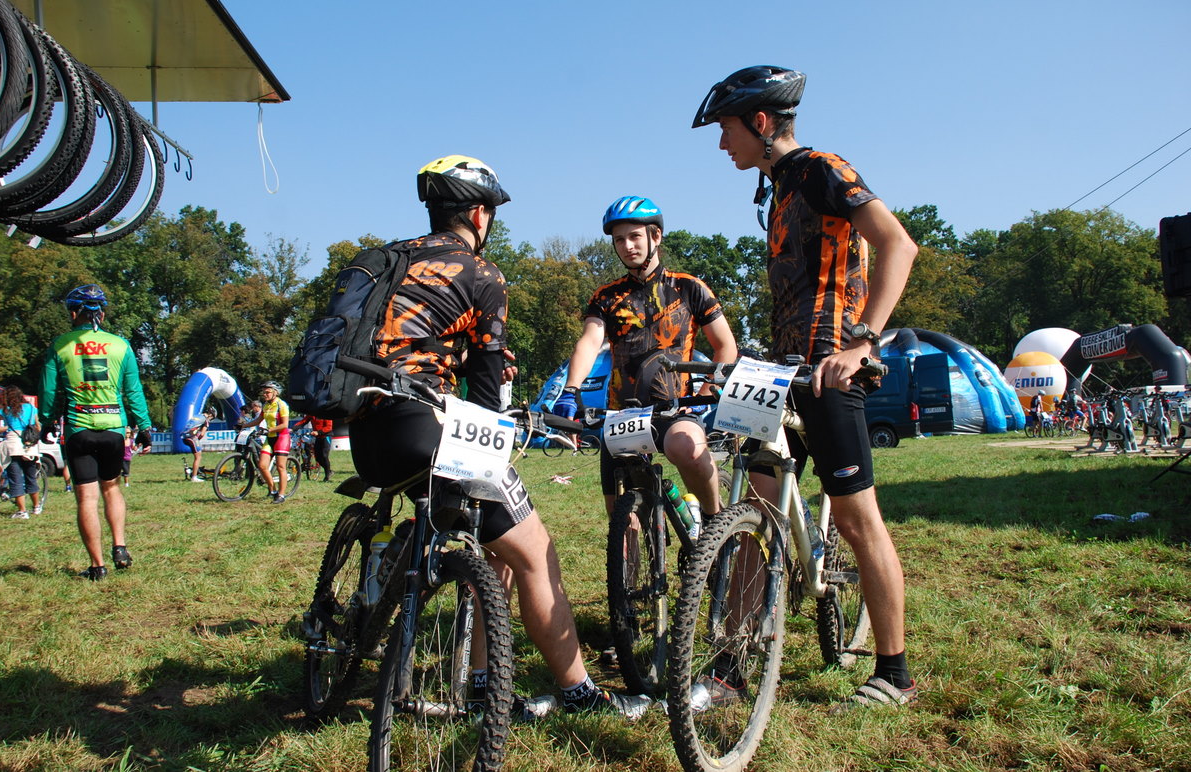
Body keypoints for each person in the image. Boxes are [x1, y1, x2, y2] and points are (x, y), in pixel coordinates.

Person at [347, 154, 651, 719]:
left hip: (366, 433)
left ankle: (405, 586)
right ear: (479, 214)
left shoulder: (388, 258)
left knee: (493, 542)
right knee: (533, 551)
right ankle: (579, 693)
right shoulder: (481, 274)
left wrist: (459, 358)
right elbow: (487, 396)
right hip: (424, 429)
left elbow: (402, 345)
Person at [692, 65, 920, 712]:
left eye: (727, 129)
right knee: (752, 508)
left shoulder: (823, 169)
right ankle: (731, 664)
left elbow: (898, 245)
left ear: (761, 122)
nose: (722, 143)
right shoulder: (776, 189)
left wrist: (864, 342)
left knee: (854, 516)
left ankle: (894, 673)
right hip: (779, 372)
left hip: (831, 367)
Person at [554, 196, 737, 524]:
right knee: (622, 522)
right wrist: (570, 389)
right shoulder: (606, 296)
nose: (627, 246)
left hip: (676, 409)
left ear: (656, 236)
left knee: (688, 451)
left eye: (634, 236)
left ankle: (714, 519)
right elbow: (590, 341)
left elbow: (725, 346)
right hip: (623, 414)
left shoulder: (688, 288)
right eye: (619, 240)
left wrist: (706, 394)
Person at [38, 284, 152, 581]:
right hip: (113, 428)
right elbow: (133, 390)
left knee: (87, 498)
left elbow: (48, 390)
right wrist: (144, 426)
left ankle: (97, 566)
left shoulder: (60, 344)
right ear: (101, 313)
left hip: (79, 428)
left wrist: (47, 421)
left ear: (73, 313)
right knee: (111, 487)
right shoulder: (120, 345)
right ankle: (120, 547)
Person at [0, 384, 43, 519]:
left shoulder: (5, 411)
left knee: (16, 479)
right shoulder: (32, 408)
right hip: (29, 445)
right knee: (31, 477)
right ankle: (36, 507)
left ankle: (22, 511)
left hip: (13, 445)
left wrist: (7, 427)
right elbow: (38, 427)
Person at [237, 381, 291, 503]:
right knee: (262, 466)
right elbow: (258, 420)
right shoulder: (266, 405)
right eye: (263, 392)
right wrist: (243, 425)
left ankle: (281, 495)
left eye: (267, 392)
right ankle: (273, 490)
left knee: (281, 466)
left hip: (281, 437)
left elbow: (285, 425)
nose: (265, 394)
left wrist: (270, 429)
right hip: (269, 438)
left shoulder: (282, 405)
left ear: (275, 393)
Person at [291, 414, 334, 482]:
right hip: (318, 437)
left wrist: (318, 432)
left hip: (326, 436)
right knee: (317, 458)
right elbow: (303, 422)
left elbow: (329, 427)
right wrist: (293, 428)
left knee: (324, 455)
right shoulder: (312, 414)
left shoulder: (325, 413)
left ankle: (327, 476)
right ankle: (329, 471)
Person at [182, 411, 211, 482]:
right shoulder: (206, 420)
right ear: (210, 415)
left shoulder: (197, 416)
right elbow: (202, 434)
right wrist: (197, 440)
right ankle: (194, 477)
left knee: (197, 456)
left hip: (184, 436)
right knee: (198, 457)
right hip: (191, 437)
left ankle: (191, 471)